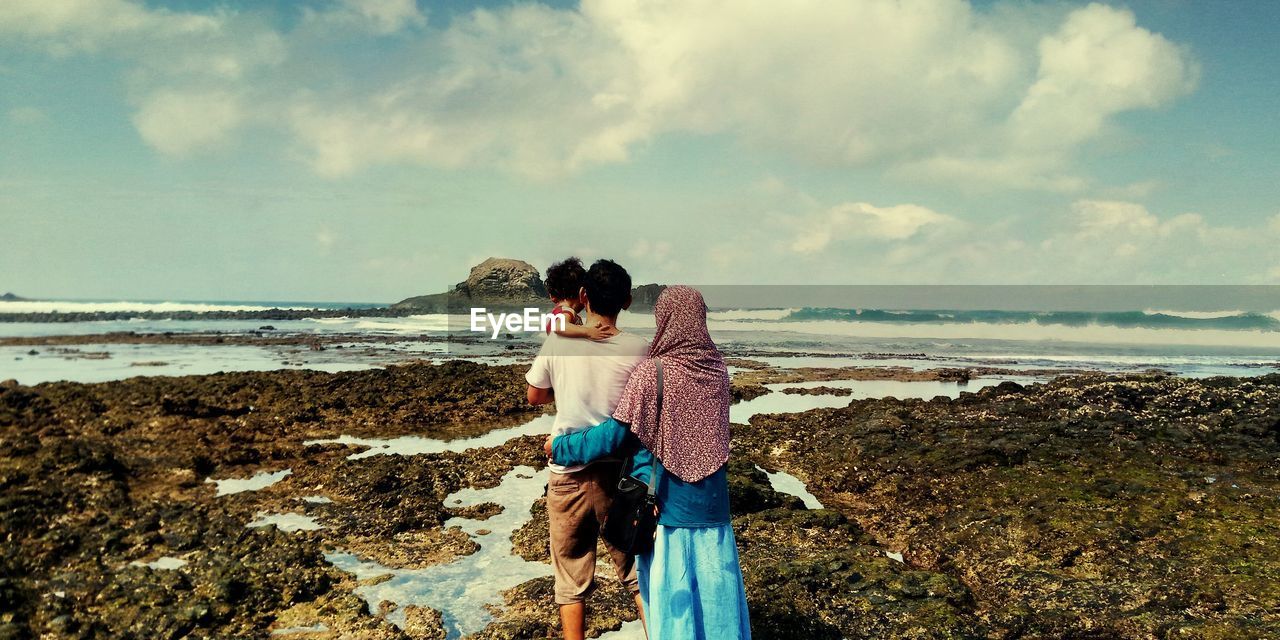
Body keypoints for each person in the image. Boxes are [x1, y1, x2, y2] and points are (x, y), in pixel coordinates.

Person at [546, 285, 752, 640]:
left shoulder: (652, 373)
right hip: (714, 510)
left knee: (676, 604)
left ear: (664, 320)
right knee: (717, 601)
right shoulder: (717, 372)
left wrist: (560, 447)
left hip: (668, 511)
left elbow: (617, 436)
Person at [525, 259, 650, 640]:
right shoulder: (641, 349)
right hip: (622, 474)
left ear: (583, 296)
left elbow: (535, 395)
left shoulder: (560, 340)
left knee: (570, 578)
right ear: (627, 301)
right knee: (637, 574)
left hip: (568, 473)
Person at [543, 256, 617, 340]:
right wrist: (588, 332)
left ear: (552, 297)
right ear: (582, 294)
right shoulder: (567, 311)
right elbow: (559, 326)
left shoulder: (556, 312)